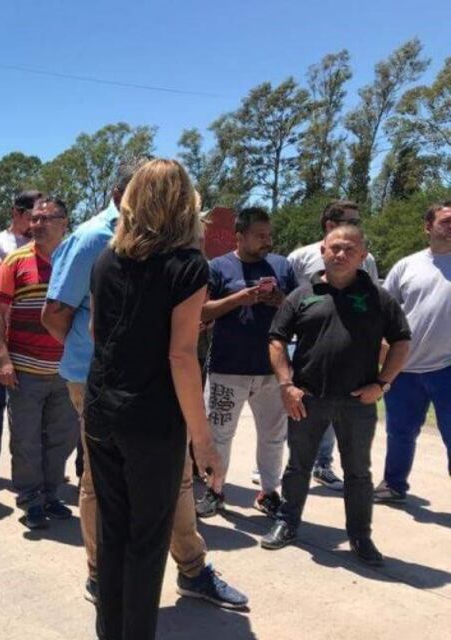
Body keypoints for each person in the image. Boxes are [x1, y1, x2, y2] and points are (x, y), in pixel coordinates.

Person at [42, 160, 247, 611]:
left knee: (173, 483)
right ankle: (102, 575)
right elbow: (55, 314)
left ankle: (191, 570)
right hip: (102, 386)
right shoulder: (97, 241)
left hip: (154, 388)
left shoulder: (169, 247)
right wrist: (112, 361)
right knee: (104, 487)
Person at [85, 159, 226, 640]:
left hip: (102, 410)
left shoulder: (107, 258)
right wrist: (204, 443)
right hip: (152, 420)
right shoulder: (187, 266)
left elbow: (94, 331)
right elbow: (182, 356)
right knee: (146, 542)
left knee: (113, 533)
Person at [263, 225, 411, 566]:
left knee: (358, 472)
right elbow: (276, 339)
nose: (340, 254)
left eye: (349, 249)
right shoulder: (302, 295)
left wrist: (383, 384)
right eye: (333, 248)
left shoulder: (379, 298)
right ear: (323, 251)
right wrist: (286, 385)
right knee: (298, 466)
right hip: (307, 399)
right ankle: (287, 523)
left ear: (362, 255)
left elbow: (402, 341)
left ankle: (360, 536)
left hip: (357, 403)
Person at [196, 207, 296, 519]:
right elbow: (202, 312)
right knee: (219, 435)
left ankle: (269, 492)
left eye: (269, 235)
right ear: (239, 236)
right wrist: (239, 299)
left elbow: (299, 310)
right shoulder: (218, 267)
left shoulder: (282, 266)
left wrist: (279, 299)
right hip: (228, 368)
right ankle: (215, 490)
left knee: (273, 436)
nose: (267, 241)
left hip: (271, 370)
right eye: (259, 236)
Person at [0, 196, 77, 528]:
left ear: (64, 223)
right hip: (24, 370)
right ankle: (30, 499)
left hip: (67, 371)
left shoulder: (77, 260)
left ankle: (51, 494)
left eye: (46, 219)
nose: (37, 225)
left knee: (62, 437)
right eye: (34, 219)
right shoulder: (16, 261)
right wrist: (2, 358)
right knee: (25, 439)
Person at [286, 200, 380, 491]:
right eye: (351, 220)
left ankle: (322, 465)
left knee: (334, 407)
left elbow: (372, 301)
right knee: (296, 407)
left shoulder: (367, 258)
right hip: (303, 345)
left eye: (358, 221)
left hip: (348, 346)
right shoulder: (300, 257)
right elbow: (288, 302)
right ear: (329, 225)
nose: (357, 226)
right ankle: (286, 464)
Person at [375, 201, 451, 502]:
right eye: (445, 221)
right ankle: (394, 486)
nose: (450, 226)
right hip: (403, 369)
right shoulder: (407, 266)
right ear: (427, 227)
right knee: (400, 433)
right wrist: (381, 350)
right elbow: (384, 310)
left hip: (447, 368)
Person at [0, 189, 39, 486]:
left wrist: (5, 272)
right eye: (32, 216)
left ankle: (30, 465)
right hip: (2, 329)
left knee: (34, 401)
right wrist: (5, 277)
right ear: (16, 212)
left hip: (37, 333)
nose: (37, 222)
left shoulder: (46, 243)